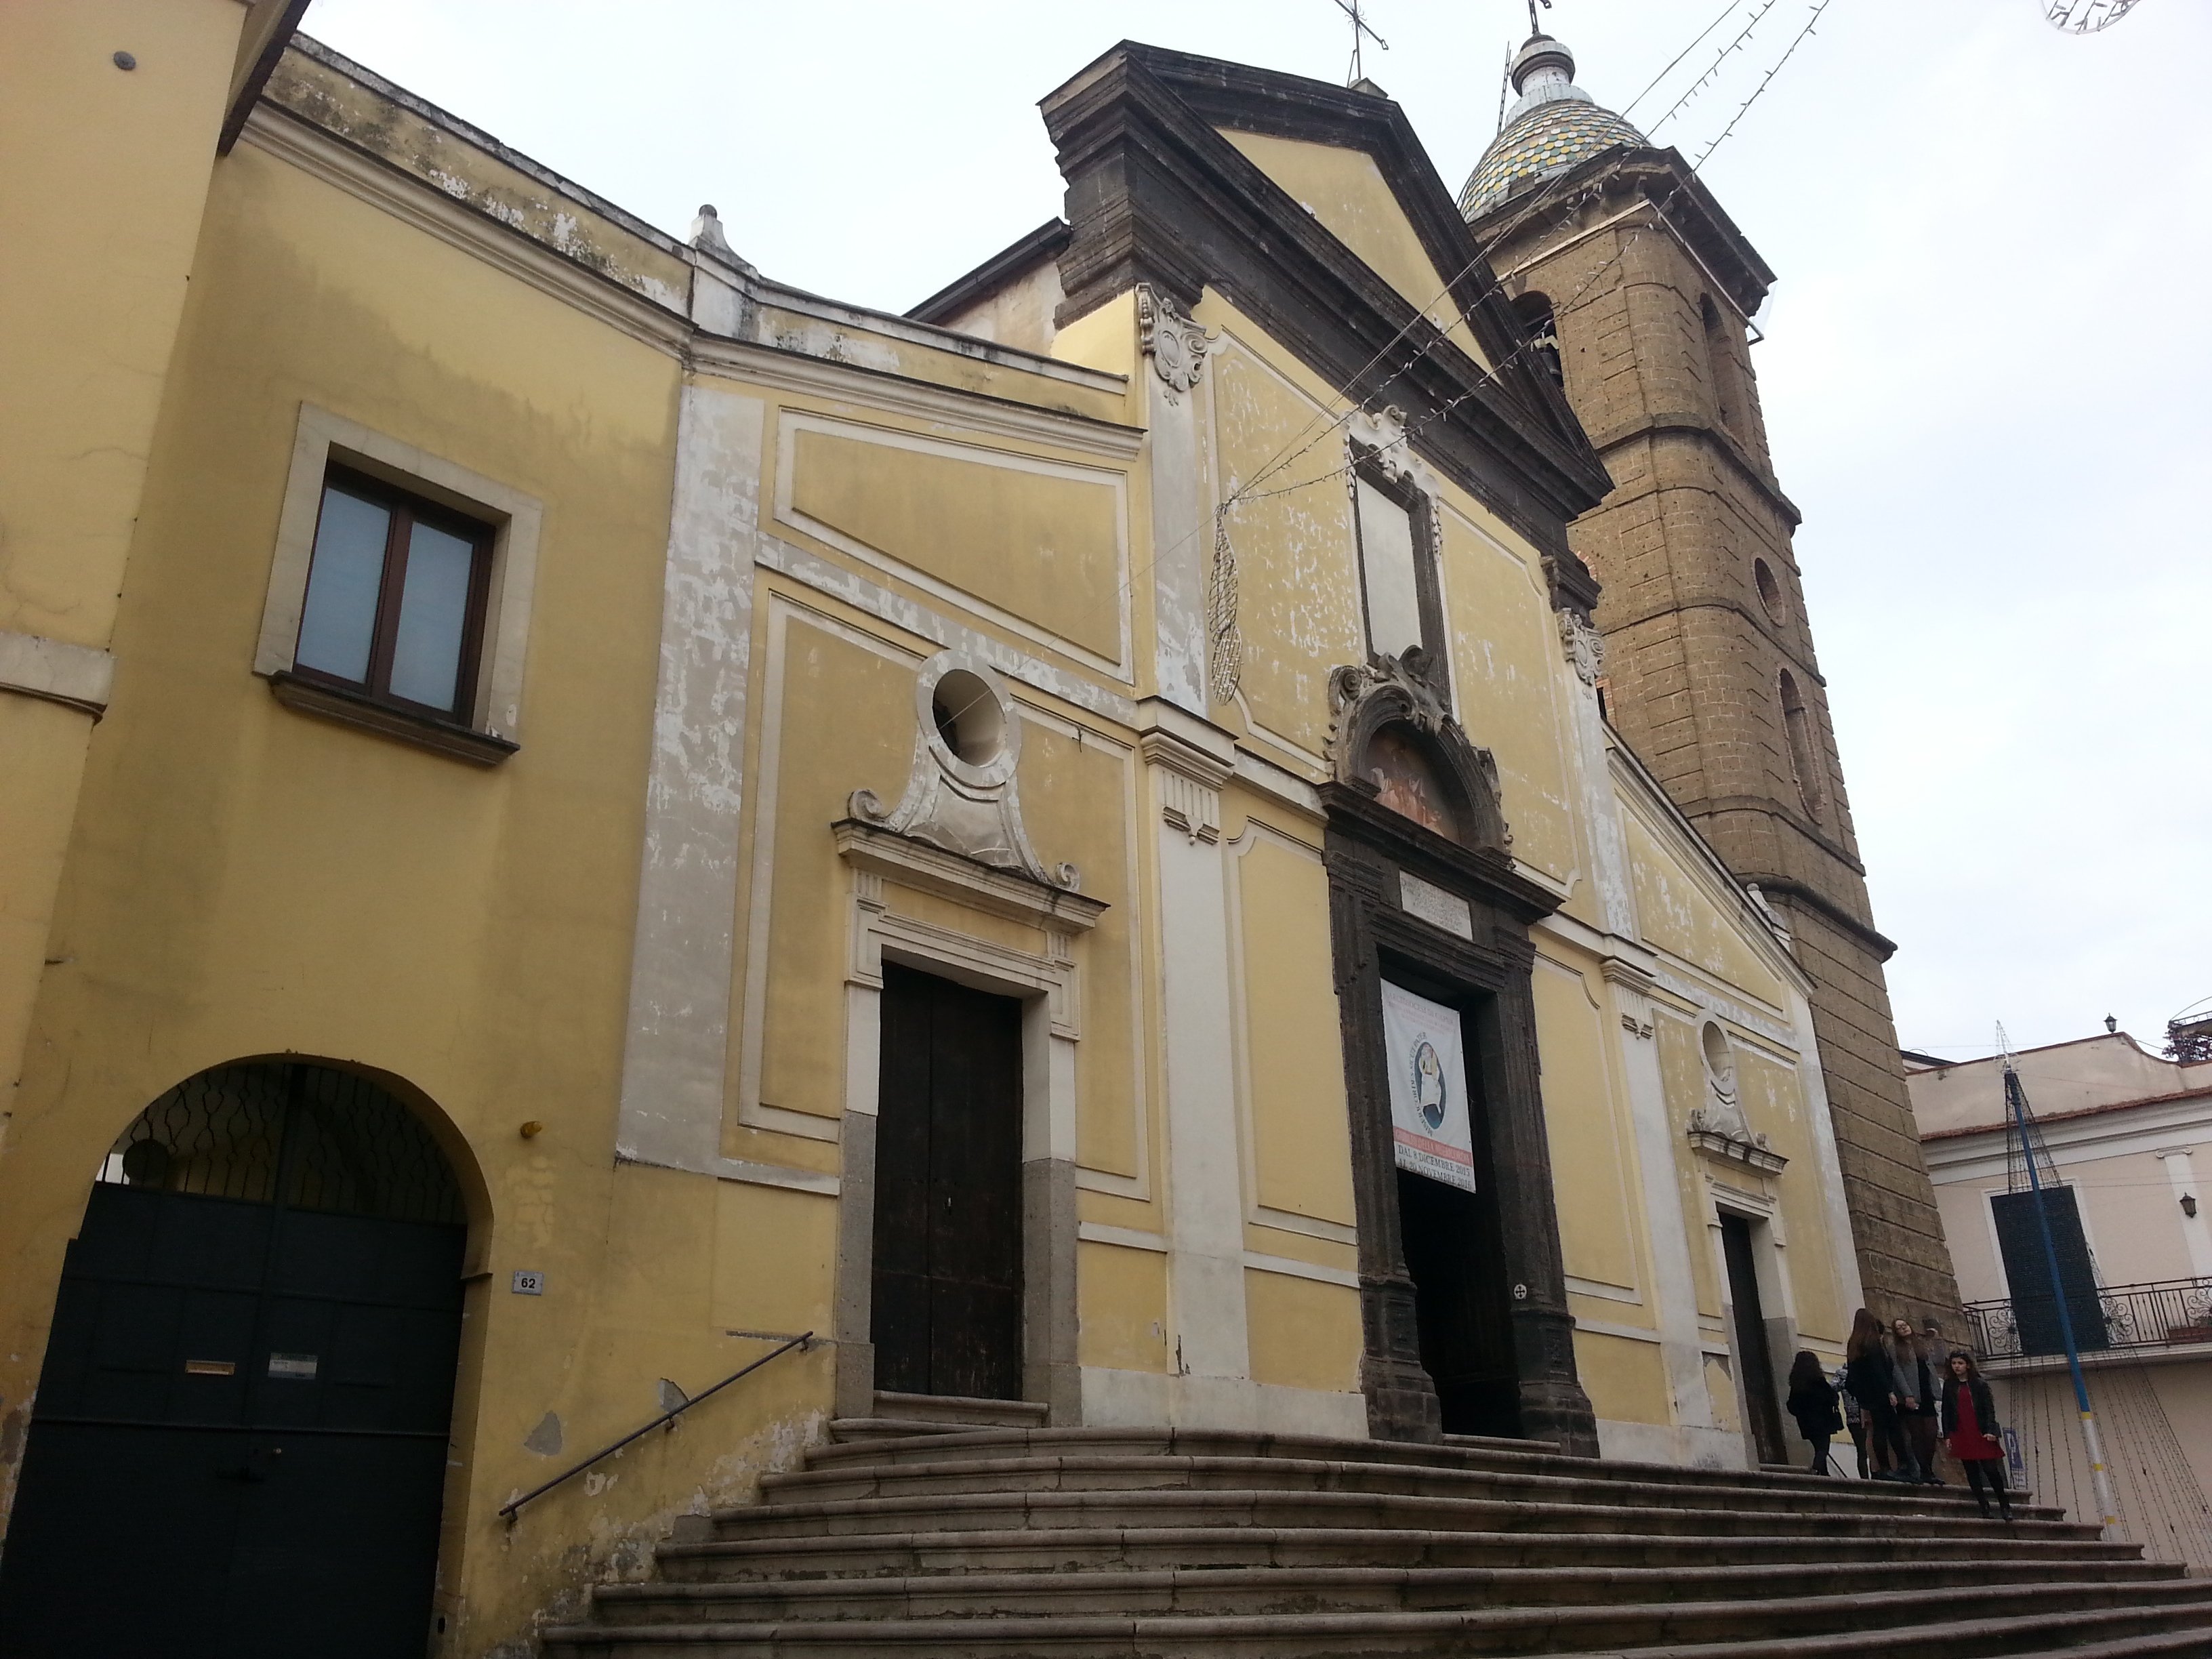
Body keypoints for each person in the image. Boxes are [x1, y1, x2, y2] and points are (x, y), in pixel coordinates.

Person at [1845, 1307, 1919, 1481]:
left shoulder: (1854, 1344)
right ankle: (1902, 1465)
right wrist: (1889, 1391)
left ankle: (1884, 1467)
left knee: (1879, 1429)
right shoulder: (1873, 1343)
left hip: (1866, 1395)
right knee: (1892, 1429)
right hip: (1879, 1392)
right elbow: (1879, 1369)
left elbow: (1852, 1374)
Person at [1940, 1349, 2013, 1520]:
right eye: (1954, 1363)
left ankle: (2004, 1505)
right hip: (1961, 1431)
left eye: (1960, 1363)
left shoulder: (1979, 1384)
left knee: (1991, 1469)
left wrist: (1990, 1430)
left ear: (1968, 1365)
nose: (1957, 1367)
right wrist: (1948, 1435)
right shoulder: (1950, 1386)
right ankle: (1983, 1506)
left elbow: (1989, 1409)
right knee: (1971, 1470)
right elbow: (1946, 1411)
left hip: (1980, 1431)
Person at [1892, 1315, 1944, 1485]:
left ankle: (1927, 1469)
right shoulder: (1895, 1349)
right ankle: (1924, 1471)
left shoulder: (1920, 1345)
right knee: (1917, 1434)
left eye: (1905, 1325)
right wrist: (1907, 1394)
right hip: (1911, 1396)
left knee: (1931, 1433)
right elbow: (1897, 1372)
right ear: (1896, 1333)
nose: (1904, 1328)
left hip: (1927, 1393)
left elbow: (1935, 1364)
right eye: (1899, 1327)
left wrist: (1937, 1340)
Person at [1785, 1351, 1845, 1475]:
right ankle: (1816, 1468)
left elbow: (1791, 1405)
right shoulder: (1819, 1381)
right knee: (1823, 1448)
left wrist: (1802, 1414)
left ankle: (1824, 1474)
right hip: (1822, 1422)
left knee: (1818, 1448)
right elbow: (1832, 1396)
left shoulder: (1797, 1385)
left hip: (1806, 1424)